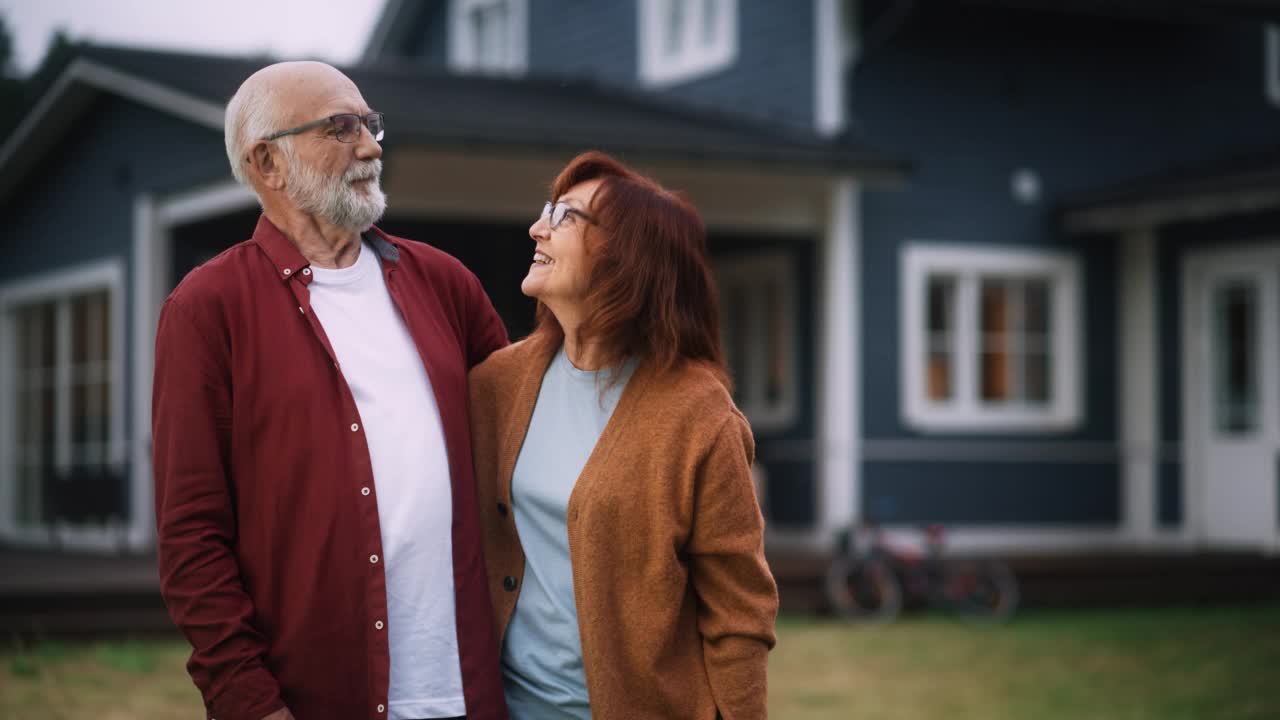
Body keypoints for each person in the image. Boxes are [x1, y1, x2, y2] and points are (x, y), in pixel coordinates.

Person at [152, 61, 509, 720]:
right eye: (339, 129)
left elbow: (527, 434)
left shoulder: (444, 283)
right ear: (268, 162)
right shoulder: (208, 309)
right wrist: (250, 703)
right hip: (314, 698)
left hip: (473, 693)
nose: (371, 147)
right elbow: (191, 539)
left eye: (371, 125)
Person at [469, 151, 778, 719]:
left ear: (626, 256)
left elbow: (739, 613)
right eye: (547, 211)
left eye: (566, 217)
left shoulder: (698, 416)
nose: (537, 227)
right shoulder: (495, 386)